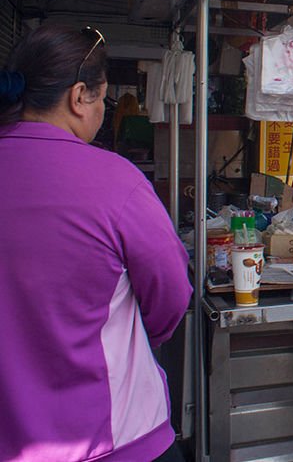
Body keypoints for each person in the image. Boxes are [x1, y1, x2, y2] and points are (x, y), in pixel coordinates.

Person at [0, 25, 192, 462]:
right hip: (113, 438)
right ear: (79, 96)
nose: (104, 110)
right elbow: (170, 295)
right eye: (103, 99)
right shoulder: (113, 179)